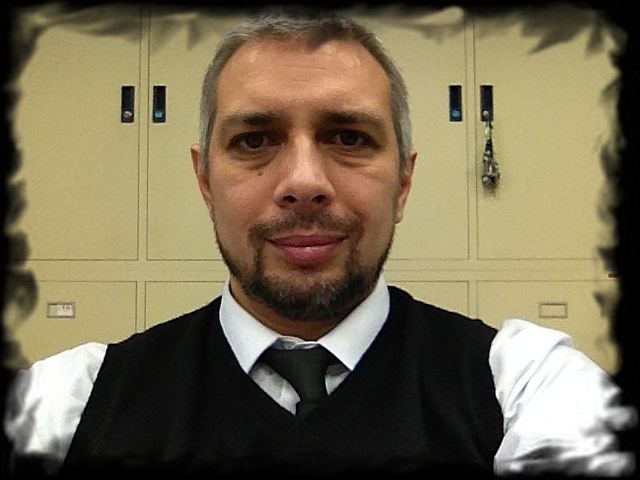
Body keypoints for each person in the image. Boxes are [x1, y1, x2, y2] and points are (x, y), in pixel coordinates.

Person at [3, 5, 636, 477]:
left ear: (404, 182)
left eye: (348, 137)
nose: (304, 183)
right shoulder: (67, 405)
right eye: (254, 140)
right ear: (204, 181)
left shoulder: (528, 388)